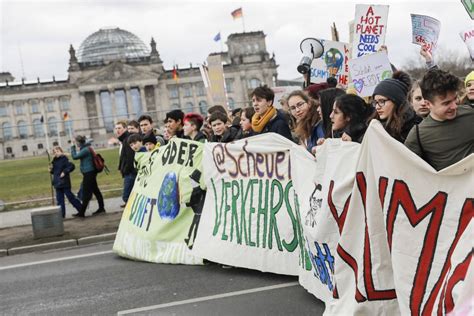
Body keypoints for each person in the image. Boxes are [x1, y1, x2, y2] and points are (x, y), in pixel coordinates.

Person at [404, 69, 474, 171]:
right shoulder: (418, 135)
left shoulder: (471, 113)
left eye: (455, 99)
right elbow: (408, 170)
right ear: (428, 104)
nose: (454, 106)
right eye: (446, 103)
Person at [371, 71, 418, 142]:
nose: (377, 107)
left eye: (381, 101)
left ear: (396, 101)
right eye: (376, 102)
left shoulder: (415, 128)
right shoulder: (374, 126)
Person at [71, 135, 105, 217]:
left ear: (79, 142)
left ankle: (82, 212)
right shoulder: (86, 147)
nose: (76, 144)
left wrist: (72, 147)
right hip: (90, 172)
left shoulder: (85, 149)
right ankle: (101, 208)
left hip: (89, 173)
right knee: (96, 190)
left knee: (86, 192)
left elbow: (74, 157)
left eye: (76, 142)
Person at [50, 146, 82, 218]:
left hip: (64, 182)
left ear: (61, 151)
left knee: (70, 197)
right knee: (59, 200)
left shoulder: (64, 159)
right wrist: (51, 170)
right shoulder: (54, 161)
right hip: (57, 182)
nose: (56, 153)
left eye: (57, 151)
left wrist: (65, 172)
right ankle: (61, 215)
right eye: (54, 152)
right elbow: (54, 171)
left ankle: (81, 209)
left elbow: (71, 166)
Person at [115, 121, 136, 207]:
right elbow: (122, 156)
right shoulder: (123, 140)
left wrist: (125, 169)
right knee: (129, 195)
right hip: (127, 171)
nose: (117, 130)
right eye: (116, 128)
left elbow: (130, 157)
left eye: (119, 128)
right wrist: (120, 168)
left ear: (125, 129)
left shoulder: (127, 139)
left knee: (126, 196)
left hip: (130, 172)